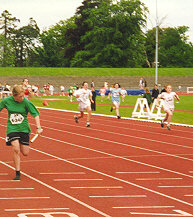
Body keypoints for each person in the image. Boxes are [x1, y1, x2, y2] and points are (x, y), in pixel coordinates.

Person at [0, 85, 43, 180]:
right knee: (15, 148)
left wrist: (38, 127)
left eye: (23, 96)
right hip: (12, 128)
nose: (22, 98)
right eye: (20, 96)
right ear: (14, 96)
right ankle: (17, 173)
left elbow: (35, 114)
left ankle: (18, 142)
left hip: (24, 129)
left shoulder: (26, 102)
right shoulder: (6, 101)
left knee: (25, 152)